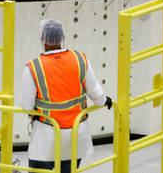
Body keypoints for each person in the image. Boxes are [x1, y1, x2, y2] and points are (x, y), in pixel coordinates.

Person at [20, 20, 112, 173]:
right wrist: (105, 101)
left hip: (46, 135)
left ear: (42, 39)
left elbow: (27, 106)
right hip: (76, 132)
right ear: (63, 37)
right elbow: (96, 92)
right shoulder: (80, 59)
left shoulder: (34, 67)